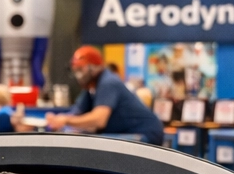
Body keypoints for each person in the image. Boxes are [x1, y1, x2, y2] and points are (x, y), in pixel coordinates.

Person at [32, 46, 164, 143]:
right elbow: (75, 113)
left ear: (93, 67)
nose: (78, 75)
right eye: (75, 70)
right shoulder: (90, 89)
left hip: (145, 134)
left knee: (99, 146)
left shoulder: (108, 82)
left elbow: (98, 120)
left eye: (80, 69)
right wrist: (57, 120)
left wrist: (65, 120)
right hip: (128, 134)